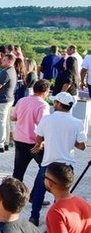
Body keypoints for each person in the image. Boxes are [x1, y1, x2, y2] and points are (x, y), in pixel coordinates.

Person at [28, 91, 87, 226]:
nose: (54, 104)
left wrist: (42, 142)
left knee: (39, 191)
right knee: (61, 195)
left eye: (55, 102)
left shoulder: (47, 119)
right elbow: (82, 146)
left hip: (48, 162)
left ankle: (34, 217)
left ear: (60, 104)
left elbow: (38, 137)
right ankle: (57, 219)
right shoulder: (77, 123)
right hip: (66, 165)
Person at [10, 79, 50, 181]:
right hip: (35, 142)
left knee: (18, 171)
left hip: (19, 139)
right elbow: (43, 125)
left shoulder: (22, 100)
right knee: (44, 168)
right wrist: (41, 142)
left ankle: (15, 194)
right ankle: (35, 194)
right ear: (45, 91)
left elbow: (13, 117)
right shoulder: (43, 105)